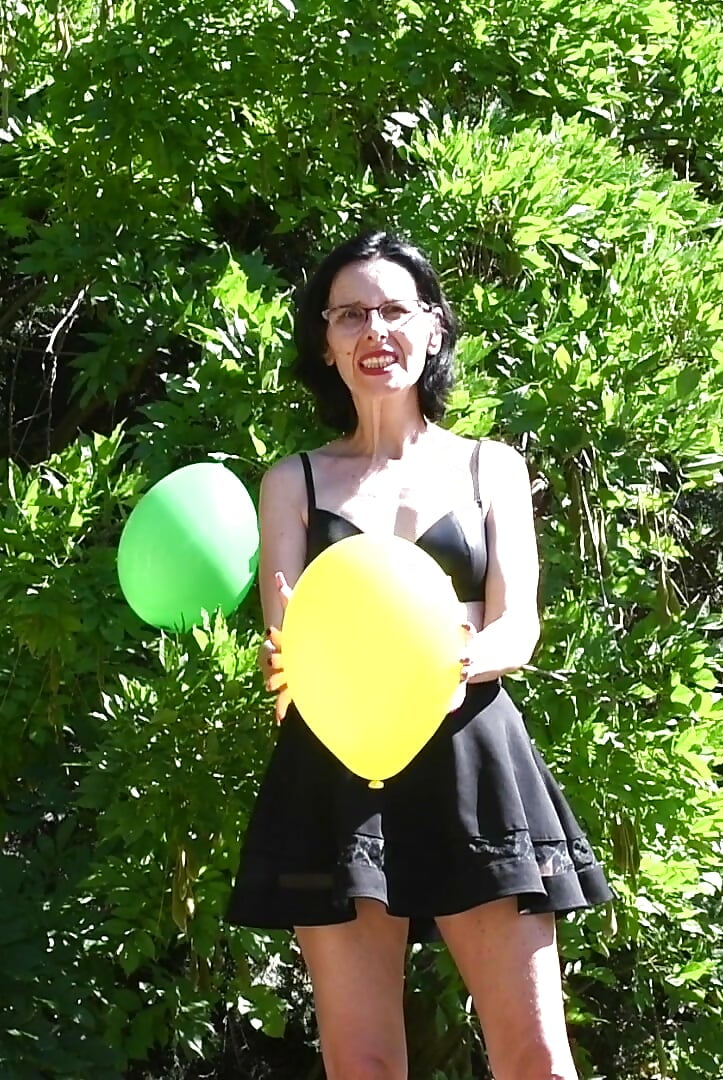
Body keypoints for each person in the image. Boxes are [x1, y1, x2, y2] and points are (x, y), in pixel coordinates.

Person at [224, 230, 612, 1080]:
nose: (375, 331)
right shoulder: (294, 481)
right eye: (351, 314)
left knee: (538, 1058)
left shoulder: (489, 467)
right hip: (334, 768)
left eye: (395, 310)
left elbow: (517, 629)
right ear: (325, 343)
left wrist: (439, 663)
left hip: (474, 750)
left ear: (433, 328)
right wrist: (286, 665)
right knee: (361, 1065)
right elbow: (288, 641)